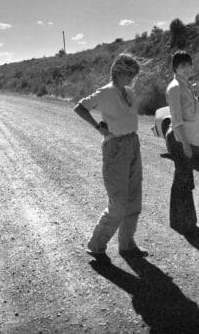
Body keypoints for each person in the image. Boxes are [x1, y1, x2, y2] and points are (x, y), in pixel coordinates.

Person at [74, 53, 147, 258]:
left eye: (134, 74)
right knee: (118, 203)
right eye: (129, 73)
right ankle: (96, 245)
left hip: (133, 143)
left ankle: (127, 245)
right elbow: (80, 107)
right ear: (118, 71)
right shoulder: (105, 92)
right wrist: (99, 127)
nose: (132, 78)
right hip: (115, 147)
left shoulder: (129, 92)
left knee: (134, 199)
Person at [165, 51, 199, 238]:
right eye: (182, 65)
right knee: (185, 183)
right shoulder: (175, 87)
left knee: (181, 183)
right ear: (175, 67)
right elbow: (177, 120)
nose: (186, 68)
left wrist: (198, 102)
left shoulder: (187, 86)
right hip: (181, 140)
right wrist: (185, 145)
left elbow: (190, 113)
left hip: (188, 139)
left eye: (188, 65)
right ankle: (190, 226)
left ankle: (177, 222)